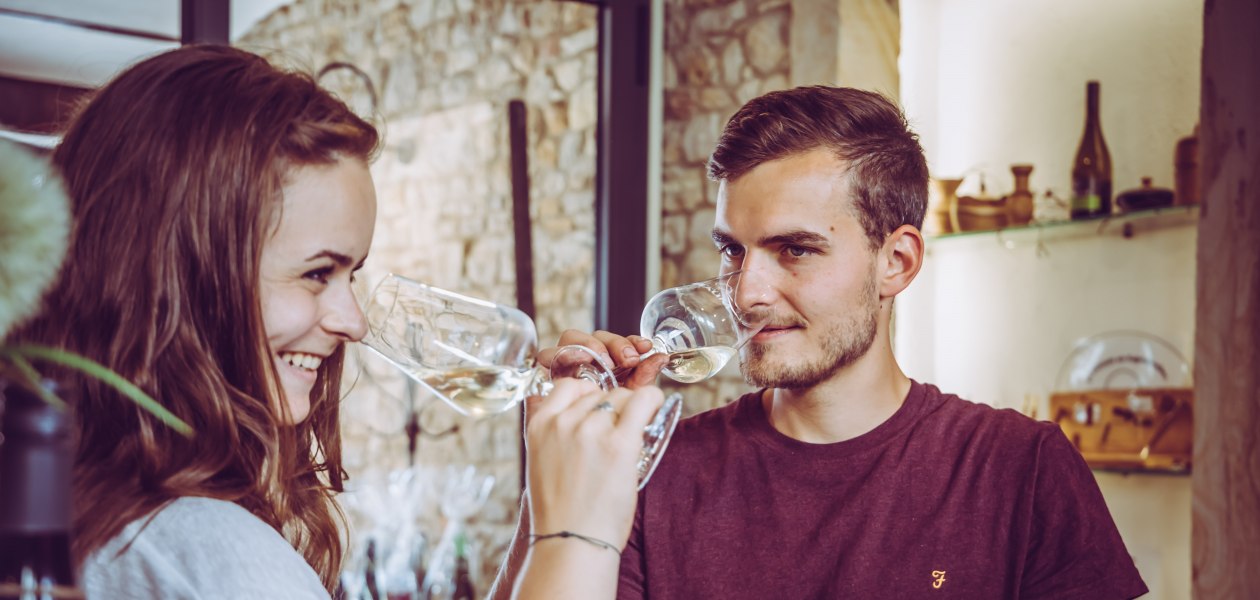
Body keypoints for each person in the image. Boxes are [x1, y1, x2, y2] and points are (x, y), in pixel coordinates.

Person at [9, 44, 656, 599]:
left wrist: (542, 519)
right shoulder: (203, 550)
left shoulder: (76, 514)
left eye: (353, 275)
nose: (352, 321)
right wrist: (581, 535)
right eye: (317, 273)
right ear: (179, 274)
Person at [498, 86, 1149, 599]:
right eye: (732, 250)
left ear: (896, 261)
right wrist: (561, 475)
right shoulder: (658, 472)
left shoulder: (1019, 471)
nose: (746, 291)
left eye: (796, 249)